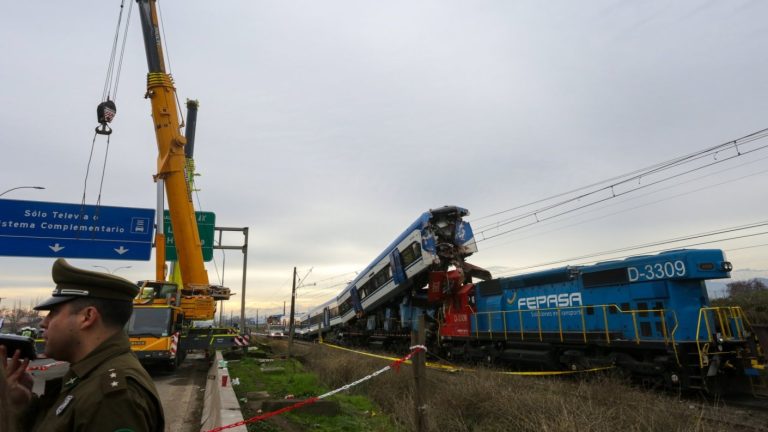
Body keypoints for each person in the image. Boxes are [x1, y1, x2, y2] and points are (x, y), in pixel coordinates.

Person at [0, 258, 165, 431]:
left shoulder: (110, 399)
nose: (43, 322)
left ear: (87, 317)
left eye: (53, 312)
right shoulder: (88, 377)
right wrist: (23, 407)